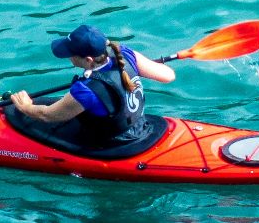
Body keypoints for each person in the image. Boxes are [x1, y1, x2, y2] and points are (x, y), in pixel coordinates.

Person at [9, 24, 175, 150]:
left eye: (70, 54)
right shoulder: (125, 54)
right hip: (139, 126)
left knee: (26, 114)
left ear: (88, 60)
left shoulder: (86, 90)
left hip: (113, 142)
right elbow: (168, 76)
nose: (68, 57)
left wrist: (26, 107)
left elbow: (47, 116)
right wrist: (136, 67)